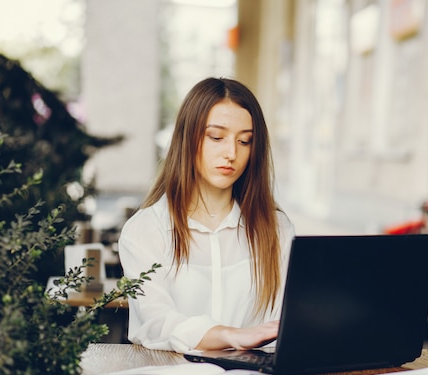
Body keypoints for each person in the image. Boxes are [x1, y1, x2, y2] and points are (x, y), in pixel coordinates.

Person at [118, 77, 295, 353]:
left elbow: (285, 324)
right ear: (188, 139)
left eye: (245, 141)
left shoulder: (276, 228)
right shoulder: (145, 230)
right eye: (216, 137)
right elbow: (155, 322)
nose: (232, 153)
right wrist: (230, 335)